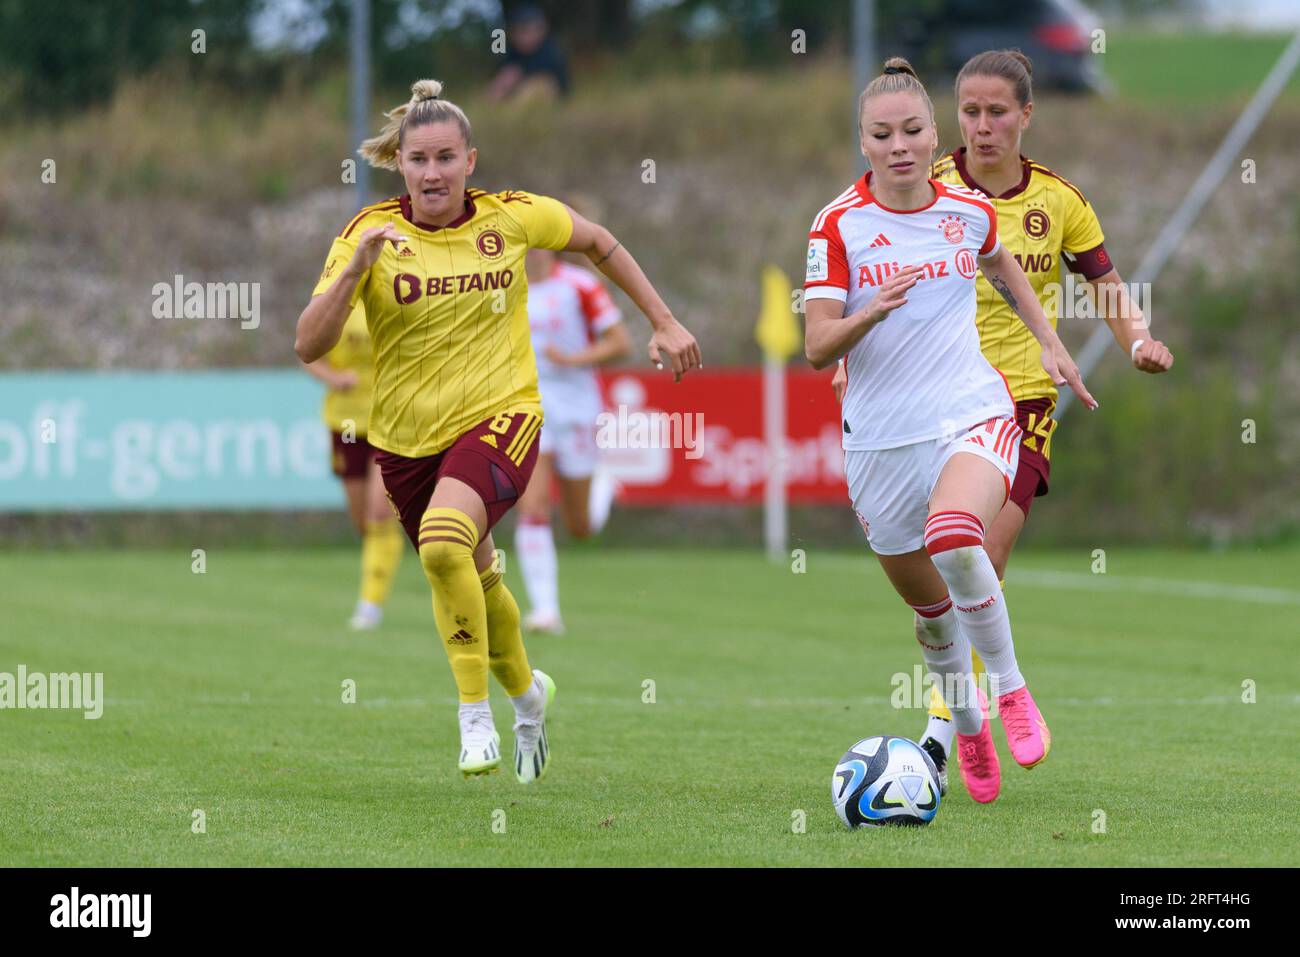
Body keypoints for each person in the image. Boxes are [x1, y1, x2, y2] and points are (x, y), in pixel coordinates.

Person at [295, 80, 700, 782]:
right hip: (406, 440)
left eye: (446, 157)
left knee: (443, 544)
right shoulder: (367, 235)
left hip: (503, 415)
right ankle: (527, 693)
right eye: (418, 159)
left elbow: (599, 241)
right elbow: (308, 342)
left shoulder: (511, 217)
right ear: (400, 164)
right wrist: (355, 271)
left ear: (470, 160)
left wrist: (661, 319)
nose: (432, 172)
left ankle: (473, 715)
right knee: (473, 577)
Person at [830, 50, 1173, 799]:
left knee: (975, 547)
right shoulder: (922, 179)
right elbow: (849, 269)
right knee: (938, 582)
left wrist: (1138, 340)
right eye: (970, 112)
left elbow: (1105, 287)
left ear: (1025, 116)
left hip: (1013, 401)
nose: (982, 127)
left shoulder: (1060, 201)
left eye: (997, 112)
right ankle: (963, 716)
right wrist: (845, 342)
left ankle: (949, 734)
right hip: (909, 412)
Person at [514, 246, 632, 634]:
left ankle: (602, 489)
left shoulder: (580, 285)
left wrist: (572, 360)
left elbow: (620, 343)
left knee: (580, 526)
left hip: (577, 406)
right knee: (532, 506)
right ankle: (546, 611)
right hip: (527, 405)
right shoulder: (503, 286)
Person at [300, 302, 405, 631]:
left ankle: (370, 605)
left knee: (379, 512)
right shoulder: (336, 301)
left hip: (391, 419)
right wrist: (334, 376)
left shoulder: (398, 295)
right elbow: (308, 353)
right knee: (363, 521)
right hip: (345, 423)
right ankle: (386, 554)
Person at [486, 4, 569, 102]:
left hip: (548, 95)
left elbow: (553, 82)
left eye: (530, 30)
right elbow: (505, 74)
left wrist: (519, 76)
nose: (526, 37)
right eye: (522, 31)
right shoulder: (512, 52)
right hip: (516, 92)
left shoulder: (550, 52)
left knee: (539, 84)